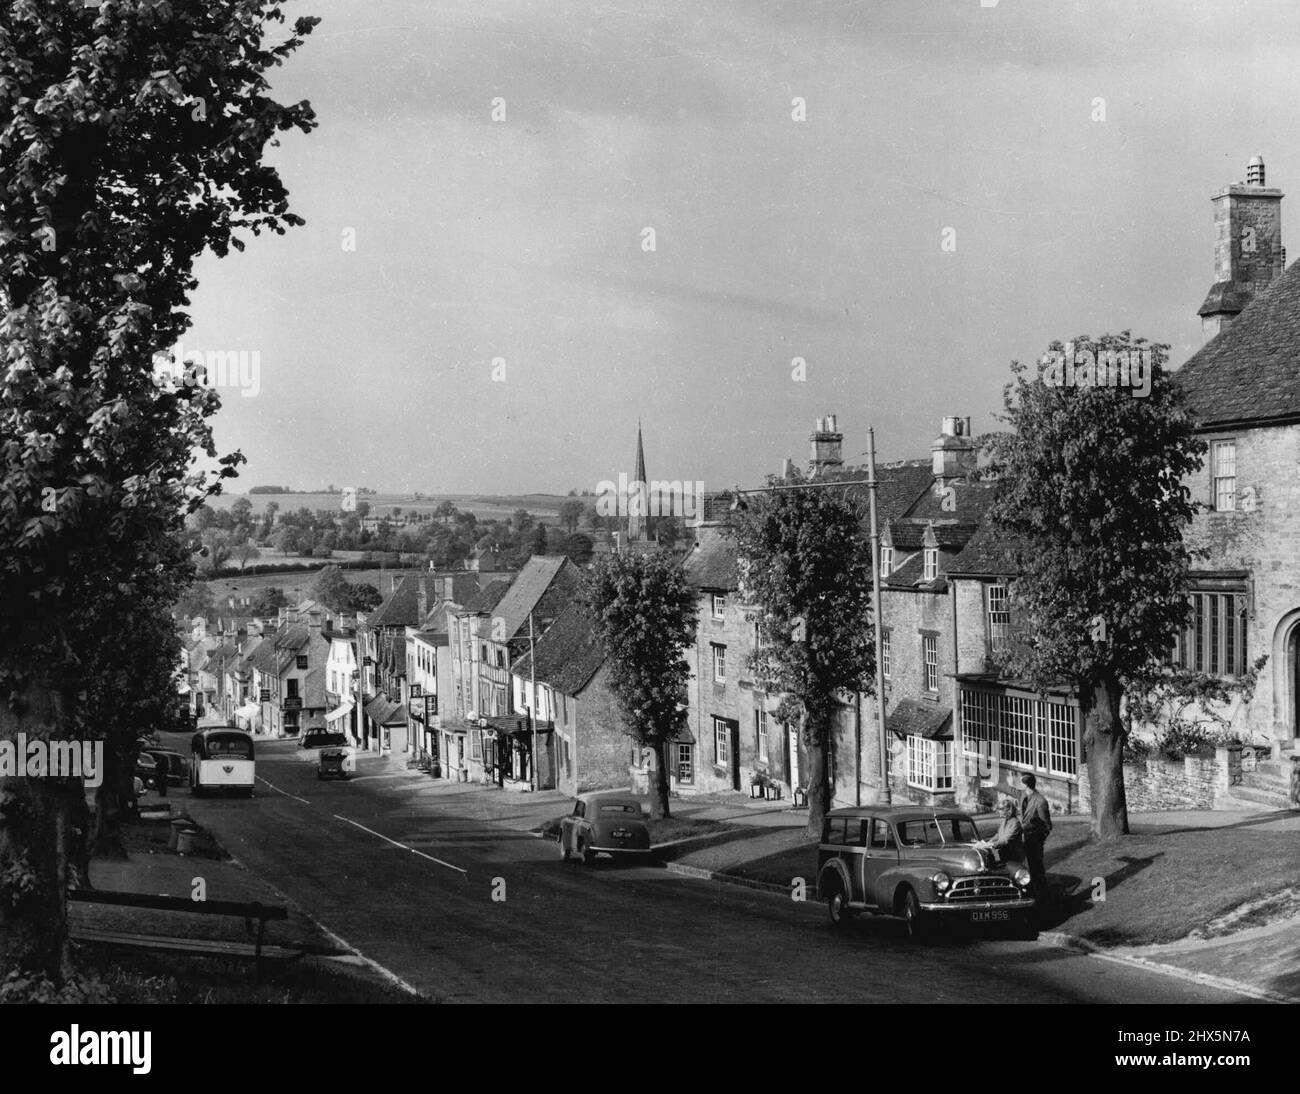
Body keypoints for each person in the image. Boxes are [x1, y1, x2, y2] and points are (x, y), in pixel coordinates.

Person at [1019, 773, 1052, 910]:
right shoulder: (1023, 795)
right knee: (1026, 870)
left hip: (1034, 840)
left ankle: (1043, 900)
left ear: (1025, 784)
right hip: (1024, 839)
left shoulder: (1040, 801)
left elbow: (1047, 825)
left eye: (1019, 782)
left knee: (1037, 870)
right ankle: (1032, 896)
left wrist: (1039, 840)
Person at [975, 798, 1024, 864]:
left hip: (1013, 857)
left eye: (1000, 810)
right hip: (1004, 854)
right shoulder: (1005, 821)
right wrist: (989, 842)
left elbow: (1006, 840)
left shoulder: (1015, 823)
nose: (998, 812)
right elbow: (999, 834)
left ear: (1007, 810)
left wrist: (991, 844)